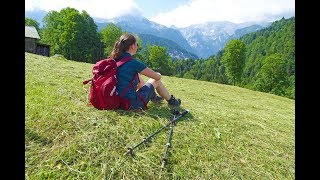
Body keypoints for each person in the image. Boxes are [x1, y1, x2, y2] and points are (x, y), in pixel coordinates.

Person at [110, 33, 181, 110]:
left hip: (116, 100)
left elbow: (138, 82)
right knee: (156, 80)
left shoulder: (115, 60)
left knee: (137, 75)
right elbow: (157, 77)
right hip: (131, 104)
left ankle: (154, 97)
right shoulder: (133, 63)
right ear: (133, 46)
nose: (137, 46)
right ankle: (172, 101)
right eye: (137, 44)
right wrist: (159, 74)